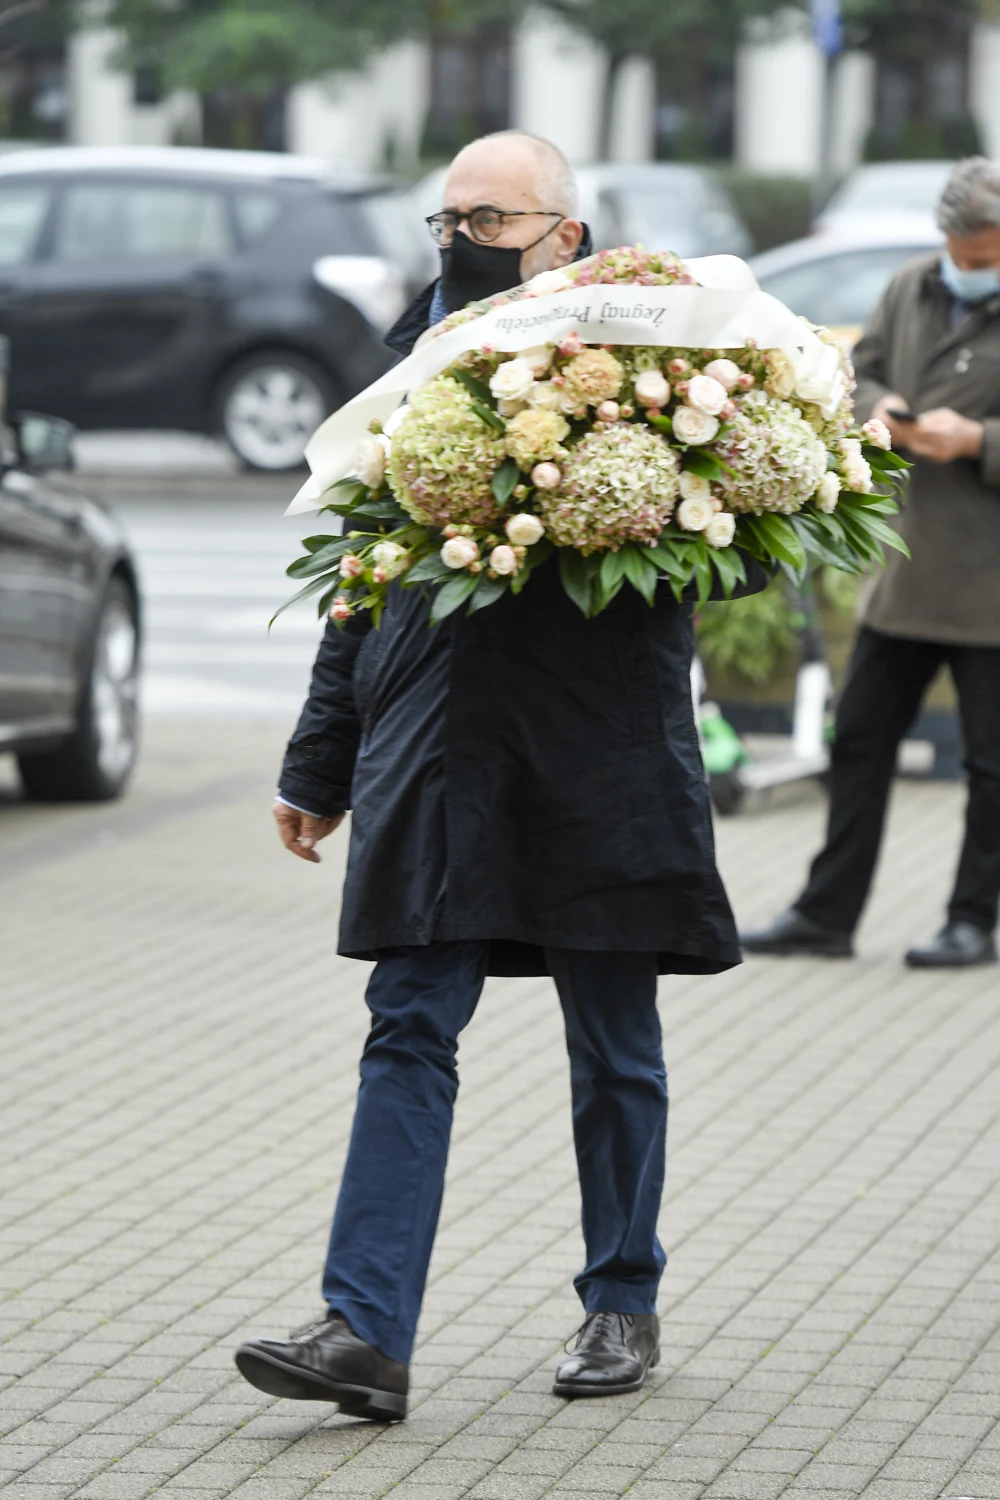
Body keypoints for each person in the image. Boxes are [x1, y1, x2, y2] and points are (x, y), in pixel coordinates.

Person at [234, 131, 764, 1423]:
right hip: (442, 746)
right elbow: (359, 579)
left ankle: (622, 1300)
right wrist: (320, 758)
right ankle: (365, 1331)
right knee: (408, 1024)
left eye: (490, 220)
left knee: (614, 1042)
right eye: (448, 219)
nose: (461, 241)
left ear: (563, 237)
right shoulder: (411, 361)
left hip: (601, 749)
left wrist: (631, 501)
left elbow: (753, 542)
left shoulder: (663, 350)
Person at [742, 156, 1000, 970]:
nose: (969, 266)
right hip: (904, 572)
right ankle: (826, 915)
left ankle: (972, 921)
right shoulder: (910, 285)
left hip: (991, 588)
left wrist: (979, 440)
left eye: (987, 256)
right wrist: (884, 408)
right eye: (961, 251)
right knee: (857, 744)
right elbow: (861, 372)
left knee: (990, 768)